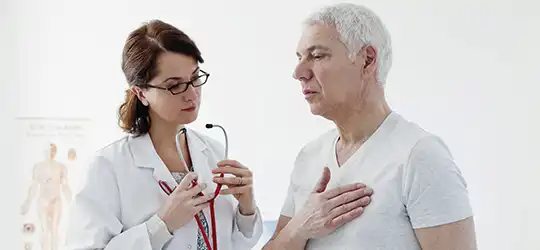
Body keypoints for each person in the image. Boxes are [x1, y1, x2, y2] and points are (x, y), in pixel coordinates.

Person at [263, 3, 477, 250]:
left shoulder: (418, 155)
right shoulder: (308, 157)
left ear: (367, 60)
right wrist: (299, 228)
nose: (298, 72)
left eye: (317, 55)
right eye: (300, 58)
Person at [63, 19, 263, 250]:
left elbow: (235, 243)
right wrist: (162, 225)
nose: (192, 95)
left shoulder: (214, 153)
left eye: (195, 78)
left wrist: (246, 208)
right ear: (141, 93)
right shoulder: (107, 167)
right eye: (175, 85)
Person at [20, 143, 71, 250]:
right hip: (43, 201)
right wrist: (27, 202)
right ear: (44, 152)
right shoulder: (38, 167)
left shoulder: (61, 167)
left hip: (56, 201)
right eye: (48, 151)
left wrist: (72, 202)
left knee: (54, 229)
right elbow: (33, 186)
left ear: (55, 152)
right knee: (44, 229)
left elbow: (65, 186)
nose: (50, 153)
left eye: (52, 151)